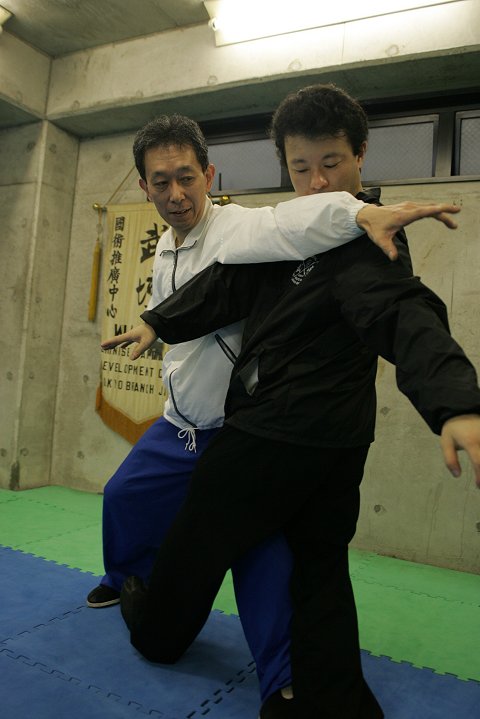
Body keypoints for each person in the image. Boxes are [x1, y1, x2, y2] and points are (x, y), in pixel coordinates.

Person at [104, 85, 480, 719]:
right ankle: (334, 702)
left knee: (199, 548)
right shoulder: (293, 230)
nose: (317, 182)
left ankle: (157, 636)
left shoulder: (368, 238)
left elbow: (400, 309)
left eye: (332, 163)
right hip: (337, 440)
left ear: (361, 154)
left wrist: (455, 402)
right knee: (317, 571)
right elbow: (228, 284)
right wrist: (158, 322)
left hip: (272, 434)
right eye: (301, 167)